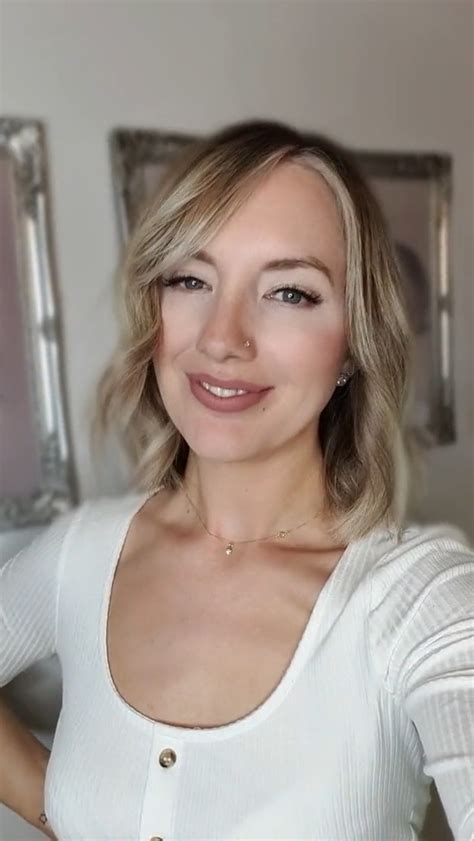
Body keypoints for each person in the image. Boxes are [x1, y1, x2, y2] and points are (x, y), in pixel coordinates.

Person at [0, 119, 472, 841]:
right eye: (190, 279)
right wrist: (56, 810)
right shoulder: (82, 555)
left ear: (354, 344)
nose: (222, 338)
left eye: (290, 293)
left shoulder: (419, 601)